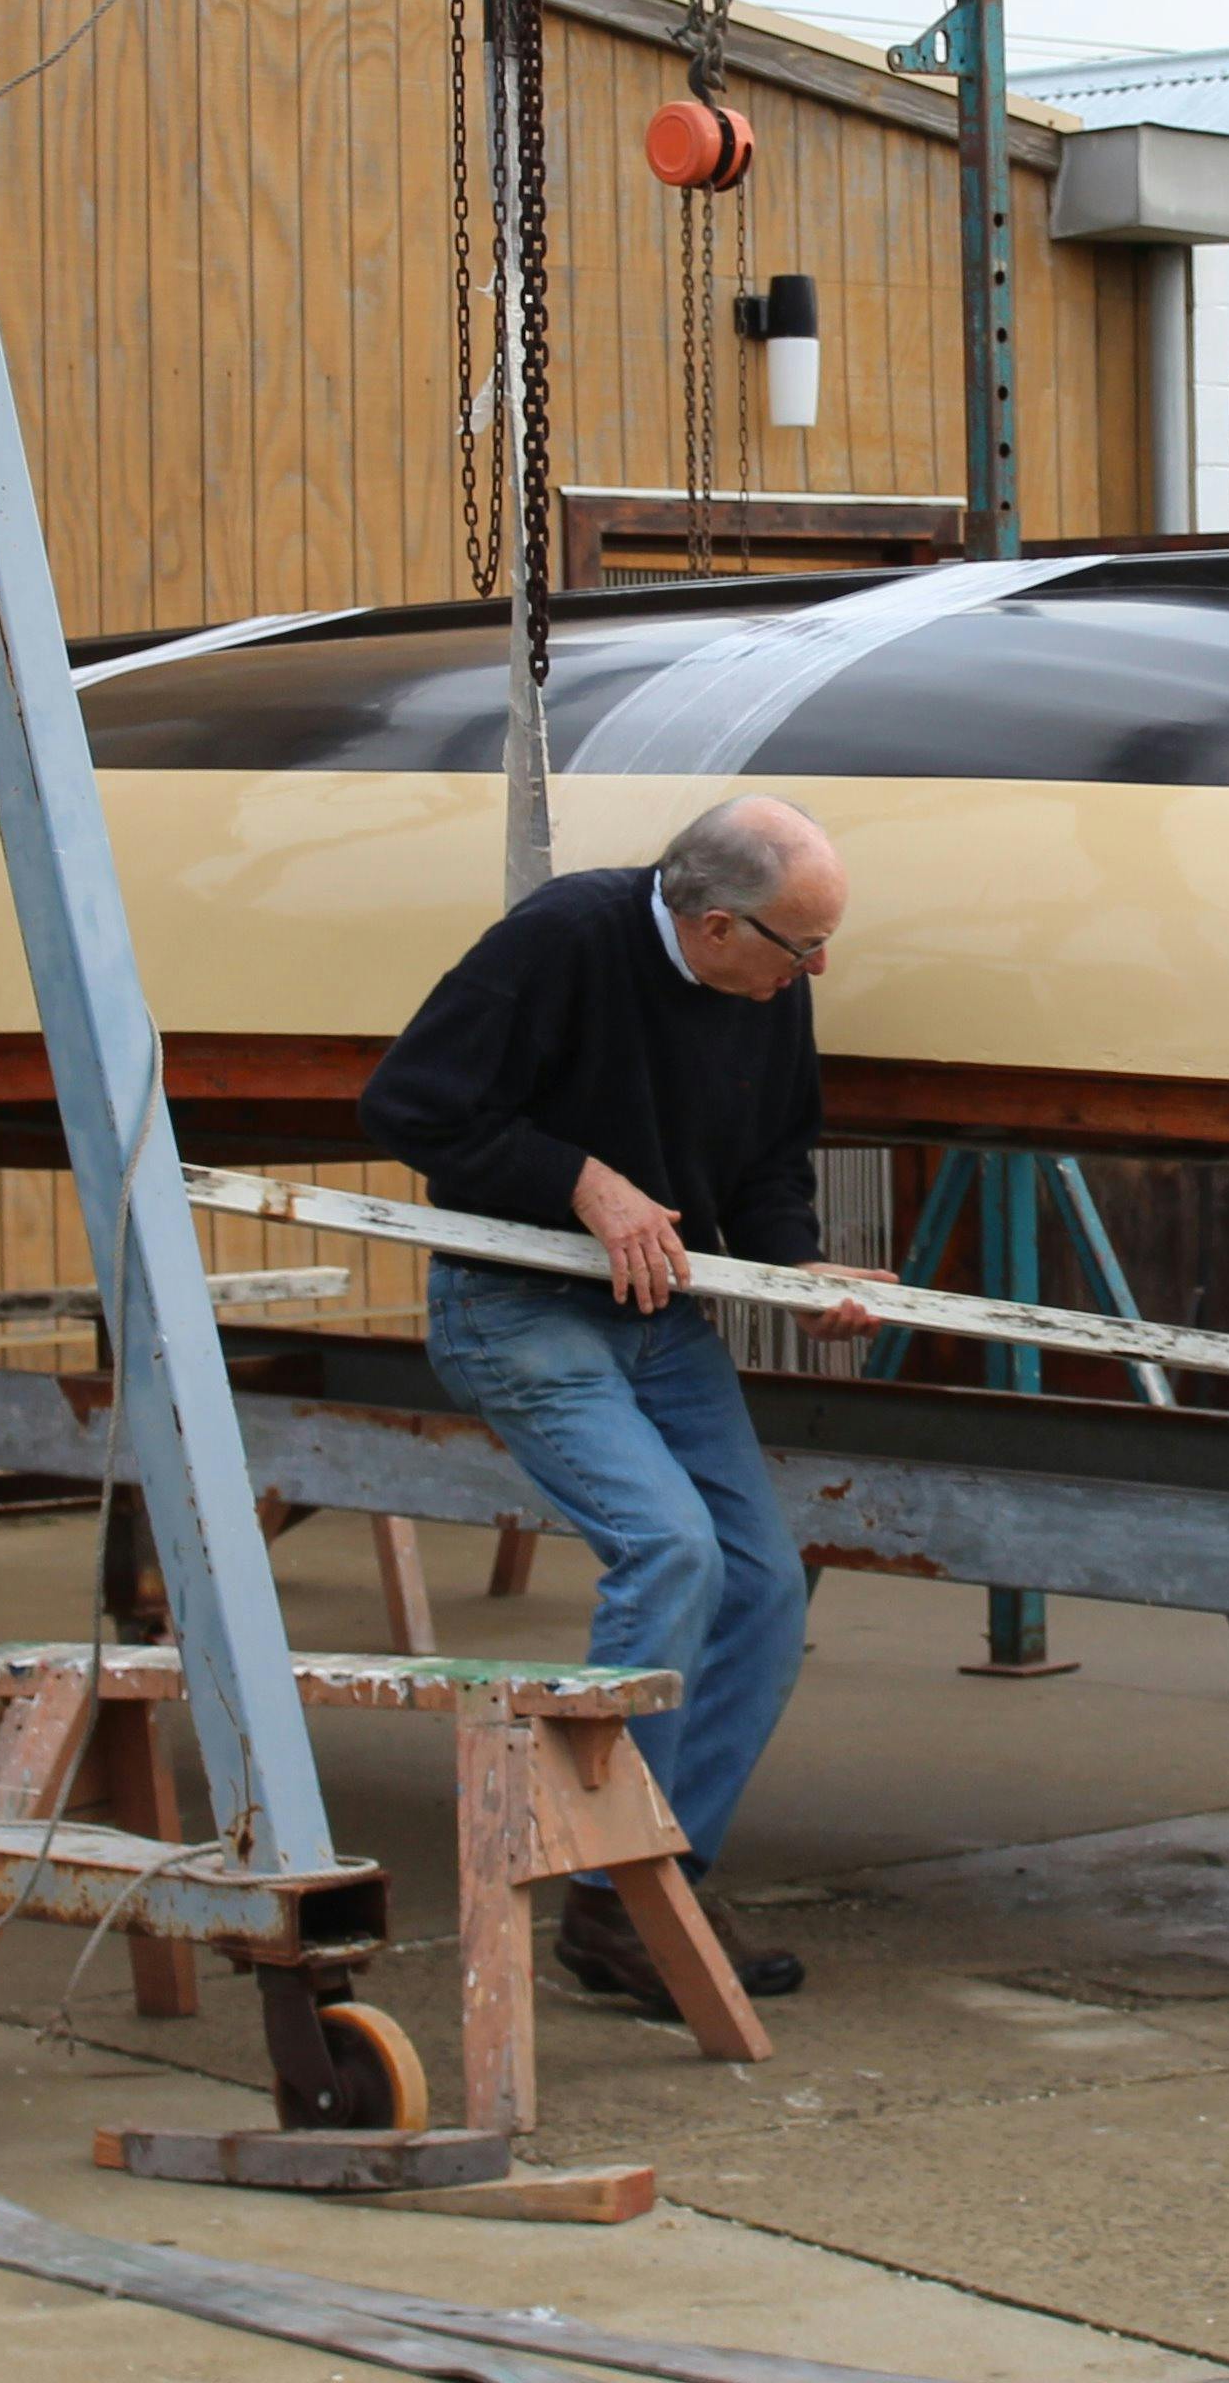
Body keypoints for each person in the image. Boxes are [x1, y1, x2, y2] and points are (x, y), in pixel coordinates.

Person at [360, 794, 898, 2018]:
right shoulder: (560, 943)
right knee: (668, 1552)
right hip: (517, 1301)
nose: (814, 972)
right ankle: (596, 1863)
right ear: (713, 928)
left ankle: (632, 1895)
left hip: (655, 1312)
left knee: (759, 1583)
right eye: (799, 950)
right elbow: (406, 1108)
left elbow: (770, 1152)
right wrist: (581, 1181)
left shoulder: (770, 975)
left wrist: (791, 1268)